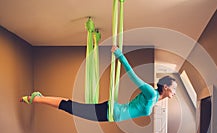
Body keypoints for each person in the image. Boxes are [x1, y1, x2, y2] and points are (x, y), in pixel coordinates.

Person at [20, 46, 177, 122]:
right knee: (71, 107)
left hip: (111, 114)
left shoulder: (155, 98)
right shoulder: (150, 93)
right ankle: (37, 98)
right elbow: (132, 75)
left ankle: (39, 98)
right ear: (165, 87)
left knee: (72, 107)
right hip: (110, 111)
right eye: (174, 88)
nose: (175, 92)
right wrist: (119, 55)